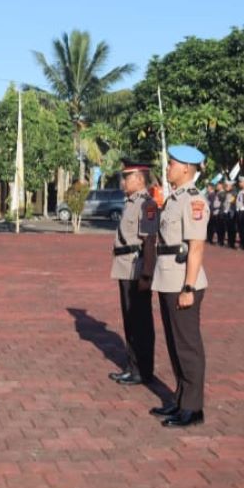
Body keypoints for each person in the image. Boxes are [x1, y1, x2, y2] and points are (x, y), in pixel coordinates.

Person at [150, 144, 209, 428]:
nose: (167, 168)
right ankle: (181, 398)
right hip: (168, 277)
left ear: (186, 168)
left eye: (172, 164)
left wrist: (188, 287)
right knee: (174, 344)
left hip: (183, 280)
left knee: (187, 345)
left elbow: (196, 247)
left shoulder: (193, 200)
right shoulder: (174, 198)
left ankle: (193, 408)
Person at [108, 163, 158, 386]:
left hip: (136, 268)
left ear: (139, 179)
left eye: (126, 178)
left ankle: (142, 370)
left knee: (140, 322)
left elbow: (149, 241)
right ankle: (132, 366)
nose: (123, 182)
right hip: (125, 266)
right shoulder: (131, 203)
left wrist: (147, 274)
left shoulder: (147, 205)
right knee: (130, 319)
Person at [222, 180, 237, 248]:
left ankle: (232, 243)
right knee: (228, 228)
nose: (226, 187)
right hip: (227, 212)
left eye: (227, 186)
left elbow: (231, 201)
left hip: (232, 212)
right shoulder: (226, 193)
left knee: (232, 228)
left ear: (231, 186)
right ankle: (229, 242)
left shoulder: (234, 193)